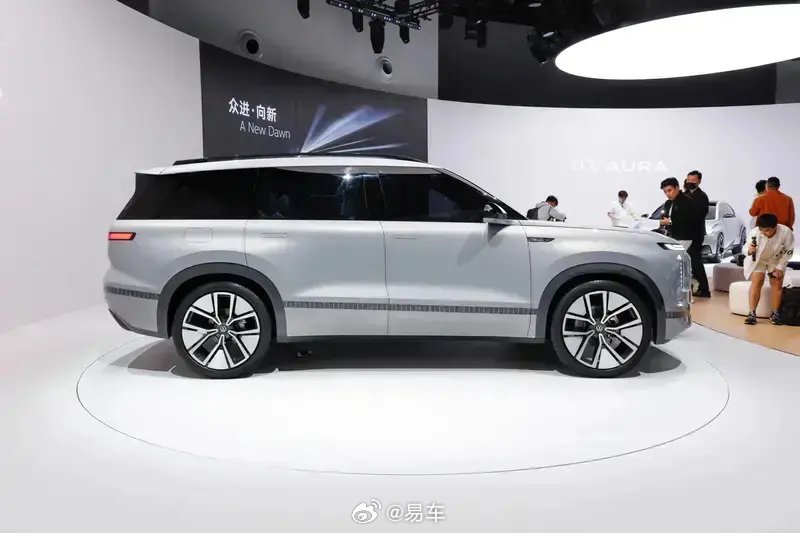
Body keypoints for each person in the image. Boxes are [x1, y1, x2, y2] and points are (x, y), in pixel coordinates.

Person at [660, 177, 710, 298]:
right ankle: (689, 290)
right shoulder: (668, 203)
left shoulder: (687, 201)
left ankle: (690, 290)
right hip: (675, 237)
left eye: (670, 190)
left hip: (687, 237)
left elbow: (689, 220)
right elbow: (666, 218)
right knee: (688, 263)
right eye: (665, 192)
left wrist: (670, 221)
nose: (668, 194)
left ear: (677, 188)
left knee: (681, 263)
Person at [743, 213, 795, 325]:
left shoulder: (786, 232)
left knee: (776, 283)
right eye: (761, 229)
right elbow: (745, 247)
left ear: (775, 227)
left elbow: (788, 251)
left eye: (767, 230)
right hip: (759, 260)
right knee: (757, 281)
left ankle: (775, 314)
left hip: (776, 260)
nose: (763, 232)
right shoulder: (755, 232)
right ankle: (752, 313)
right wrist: (749, 250)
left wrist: (780, 267)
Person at [683, 171, 711, 297]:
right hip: (684, 234)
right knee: (688, 261)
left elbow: (700, 214)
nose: (690, 183)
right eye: (688, 180)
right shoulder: (684, 194)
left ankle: (704, 289)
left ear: (699, 181)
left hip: (695, 234)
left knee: (695, 261)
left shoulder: (702, 196)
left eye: (693, 181)